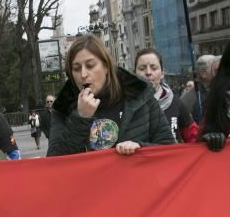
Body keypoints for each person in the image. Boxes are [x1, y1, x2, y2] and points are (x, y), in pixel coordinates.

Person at [46, 35, 174, 157]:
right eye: (76, 68)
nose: (83, 74)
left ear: (106, 66)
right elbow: (55, 163)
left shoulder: (140, 95)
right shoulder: (63, 108)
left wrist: (139, 148)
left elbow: (169, 149)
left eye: (90, 66)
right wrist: (81, 118)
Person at [135, 47, 197, 143]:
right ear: (134, 73)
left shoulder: (176, 104)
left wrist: (207, 138)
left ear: (162, 73)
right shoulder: (125, 106)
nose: (148, 72)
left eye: (154, 68)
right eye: (142, 68)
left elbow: (195, 139)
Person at [181, 54, 220, 124]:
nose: (221, 72)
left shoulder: (225, 91)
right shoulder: (188, 99)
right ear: (203, 73)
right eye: (216, 70)